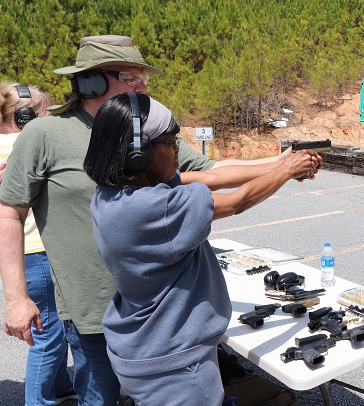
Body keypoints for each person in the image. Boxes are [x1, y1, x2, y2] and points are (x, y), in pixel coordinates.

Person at [0, 35, 307, 405]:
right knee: (99, 397)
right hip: (93, 304)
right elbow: (9, 212)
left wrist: (283, 163)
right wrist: (17, 298)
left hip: (162, 316)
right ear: (90, 82)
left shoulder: (143, 125)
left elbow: (211, 171)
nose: (142, 86)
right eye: (131, 78)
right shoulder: (44, 133)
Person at [82, 93, 320, 405]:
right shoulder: (152, 207)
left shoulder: (115, 195)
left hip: (146, 349)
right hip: (176, 366)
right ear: (138, 153)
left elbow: (214, 177)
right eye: (170, 140)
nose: (177, 148)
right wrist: (287, 171)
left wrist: (280, 162)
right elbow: (237, 201)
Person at [0, 83, 78, 405]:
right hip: (37, 250)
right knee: (49, 336)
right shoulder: (25, 145)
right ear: (25, 118)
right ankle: (38, 400)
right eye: (44, 113)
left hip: (22, 254)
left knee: (51, 326)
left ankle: (60, 389)